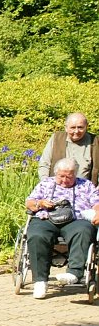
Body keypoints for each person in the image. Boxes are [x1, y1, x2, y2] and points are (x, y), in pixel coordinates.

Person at [25, 157, 99, 299]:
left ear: (75, 174)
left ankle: (74, 273)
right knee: (36, 235)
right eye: (61, 176)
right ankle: (40, 281)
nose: (65, 180)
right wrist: (40, 203)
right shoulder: (46, 183)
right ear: (55, 173)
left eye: (69, 177)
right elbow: (29, 202)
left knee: (84, 230)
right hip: (46, 218)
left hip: (76, 219)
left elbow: (96, 202)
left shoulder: (86, 185)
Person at [37, 113, 99, 185]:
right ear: (66, 128)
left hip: (85, 190)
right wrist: (46, 183)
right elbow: (44, 164)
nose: (76, 131)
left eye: (80, 127)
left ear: (86, 127)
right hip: (57, 187)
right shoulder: (56, 138)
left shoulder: (95, 141)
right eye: (73, 127)